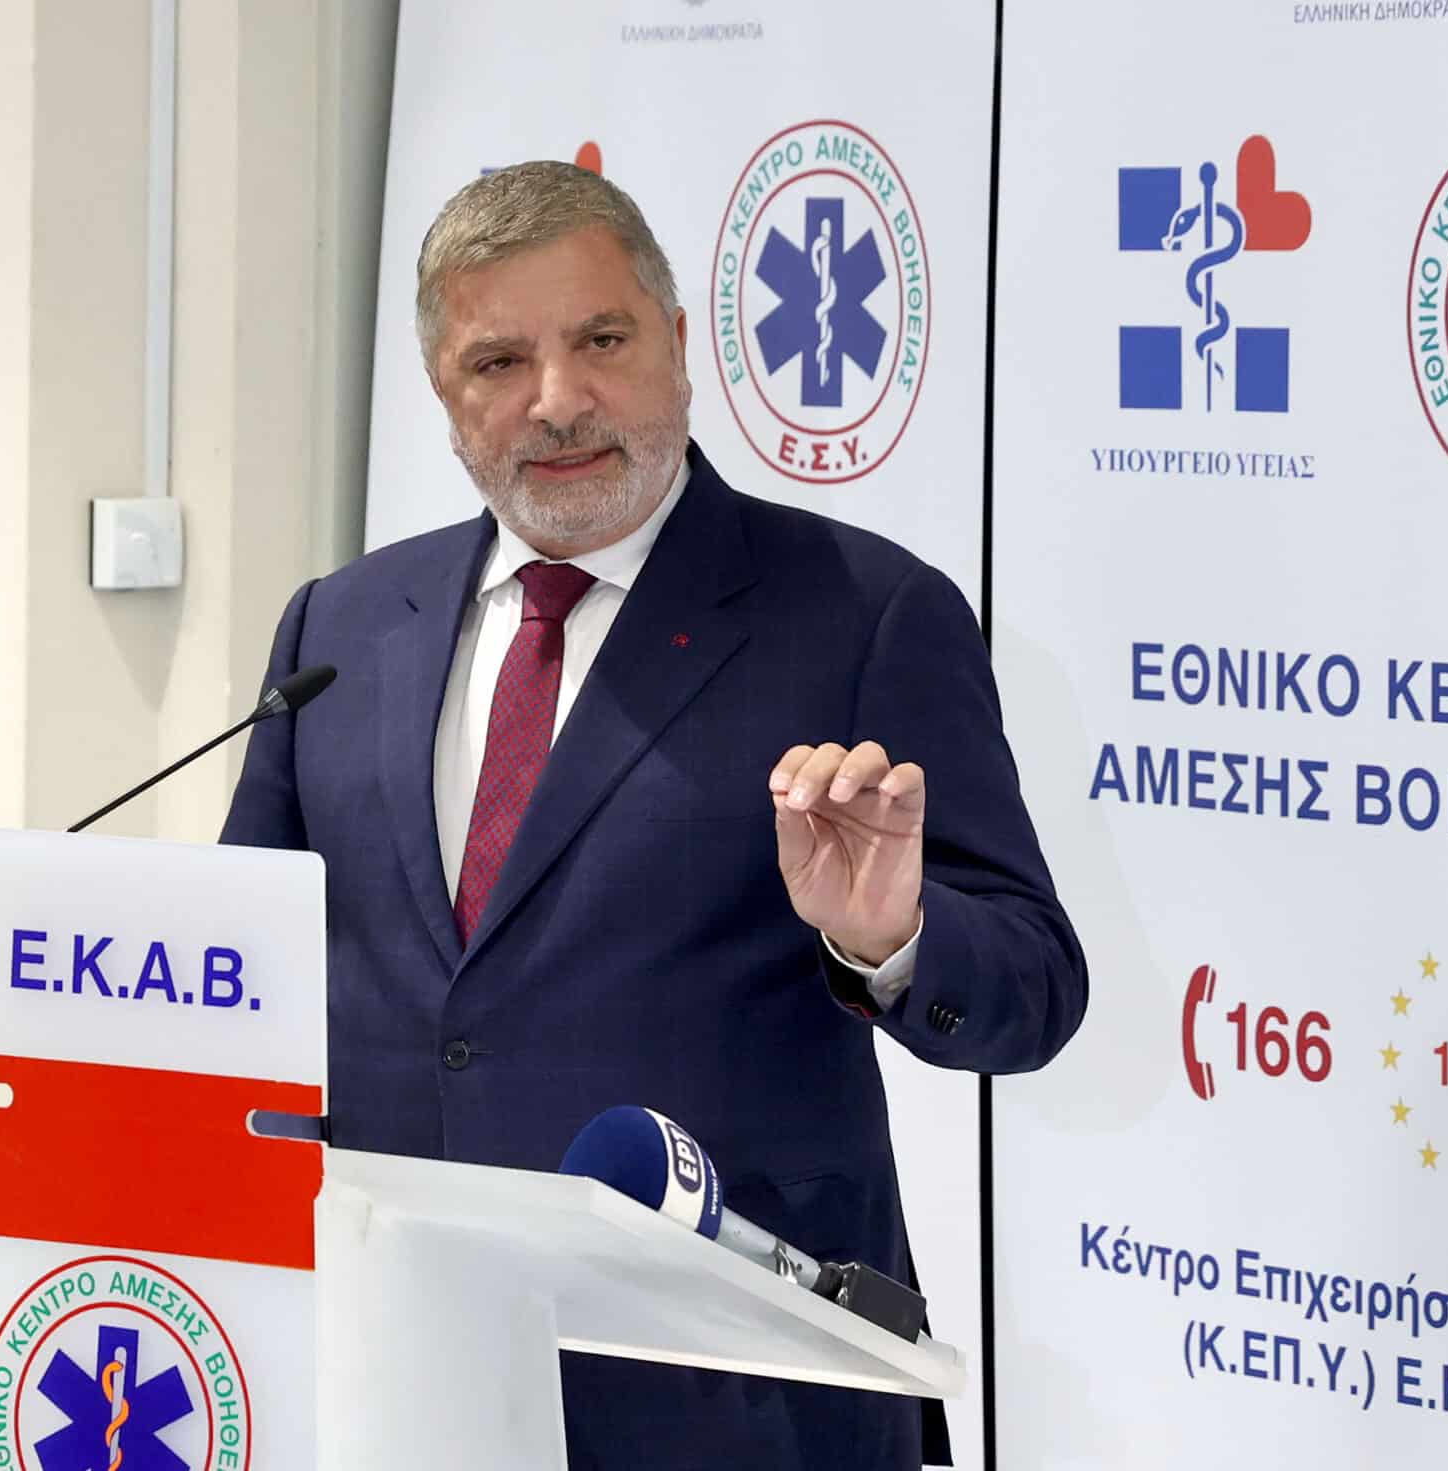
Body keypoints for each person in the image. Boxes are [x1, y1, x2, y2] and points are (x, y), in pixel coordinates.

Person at [221, 160, 1086, 1469]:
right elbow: (250, 985)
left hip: (730, 1401)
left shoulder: (861, 612)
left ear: (679, 346)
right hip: (393, 1378)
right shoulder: (339, 627)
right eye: (499, 361)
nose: (557, 400)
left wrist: (892, 938)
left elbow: (1037, 985)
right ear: (445, 396)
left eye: (602, 341)